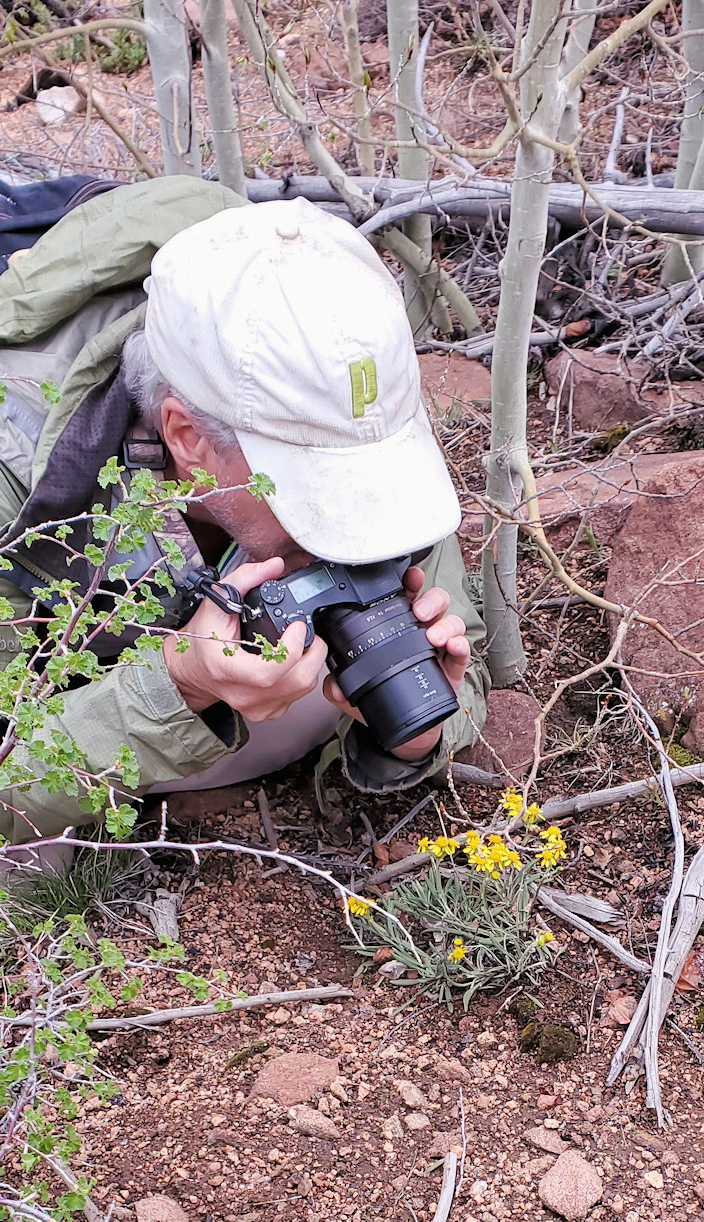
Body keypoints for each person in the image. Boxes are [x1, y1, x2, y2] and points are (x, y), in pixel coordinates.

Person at [0, 184, 488, 846]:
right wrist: (176, 686)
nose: (346, 517)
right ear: (187, 437)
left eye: (356, 476)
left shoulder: (340, 386)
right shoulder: (21, 477)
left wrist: (416, 725)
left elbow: (457, 649)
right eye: (309, 484)